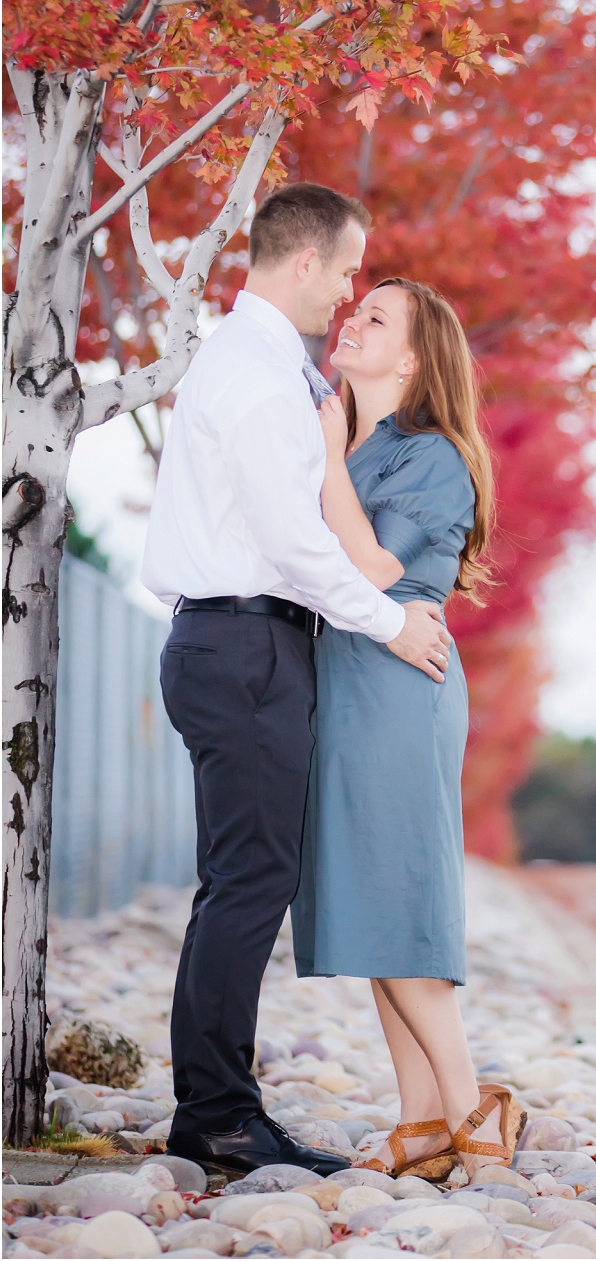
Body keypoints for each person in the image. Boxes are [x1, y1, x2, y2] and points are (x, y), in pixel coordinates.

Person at [142, 184, 452, 1179]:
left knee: (239, 881)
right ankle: (220, 1117)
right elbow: (296, 544)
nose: (348, 294)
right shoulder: (266, 381)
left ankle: (216, 1105)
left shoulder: (253, 363)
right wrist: (392, 621)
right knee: (248, 885)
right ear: (308, 262)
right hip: (245, 649)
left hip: (231, 645)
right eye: (349, 271)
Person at [291, 277, 525, 1179]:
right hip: (340, 679)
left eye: (376, 318)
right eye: (358, 309)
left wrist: (322, 457)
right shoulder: (354, 443)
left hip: (397, 682)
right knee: (364, 895)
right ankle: (421, 1120)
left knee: (398, 893)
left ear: (415, 360)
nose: (354, 320)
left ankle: (474, 1109)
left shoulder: (430, 454)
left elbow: (376, 562)